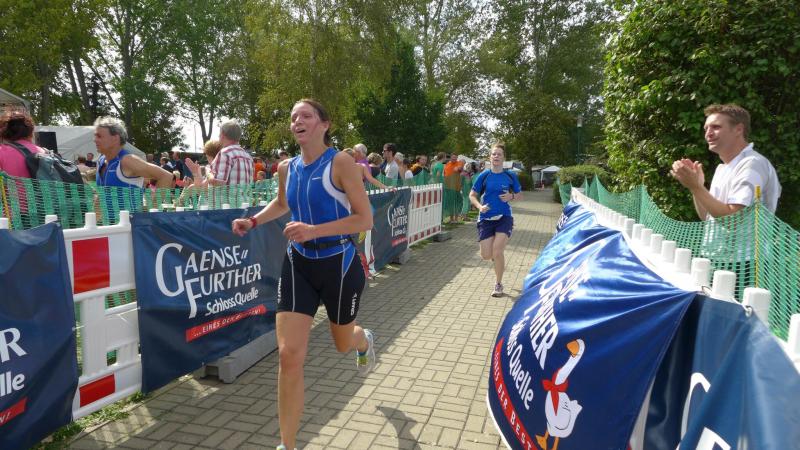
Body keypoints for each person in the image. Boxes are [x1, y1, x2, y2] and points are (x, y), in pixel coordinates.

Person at [231, 99, 376, 450]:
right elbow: (283, 204)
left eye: (306, 115)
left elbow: (365, 219)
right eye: (293, 116)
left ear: (324, 124)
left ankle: (363, 340)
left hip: (339, 263)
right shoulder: (286, 168)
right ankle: (288, 445)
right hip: (299, 263)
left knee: (342, 344)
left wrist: (314, 230)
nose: (297, 120)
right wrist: (253, 221)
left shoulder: (341, 163)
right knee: (288, 355)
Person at [670, 103, 781, 219]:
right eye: (706, 129)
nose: (708, 134)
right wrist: (697, 186)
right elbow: (708, 217)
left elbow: (733, 220)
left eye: (716, 127)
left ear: (738, 129)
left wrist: (695, 187)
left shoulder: (753, 164)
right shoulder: (722, 169)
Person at [468, 143, 522, 297]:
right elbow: (472, 195)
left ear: (504, 158)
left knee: (497, 251)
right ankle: (496, 259)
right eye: (494, 154)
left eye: (499, 154)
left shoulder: (510, 175)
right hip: (486, 218)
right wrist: (479, 206)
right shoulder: (484, 175)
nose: (496, 156)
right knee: (486, 255)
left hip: (504, 217)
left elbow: (520, 195)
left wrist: (511, 196)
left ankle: (498, 284)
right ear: (490, 157)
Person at [93, 116, 172, 189]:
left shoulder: (128, 160)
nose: (95, 140)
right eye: (95, 136)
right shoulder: (101, 161)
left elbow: (166, 176)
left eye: (99, 136)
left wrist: (154, 200)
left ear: (115, 138)